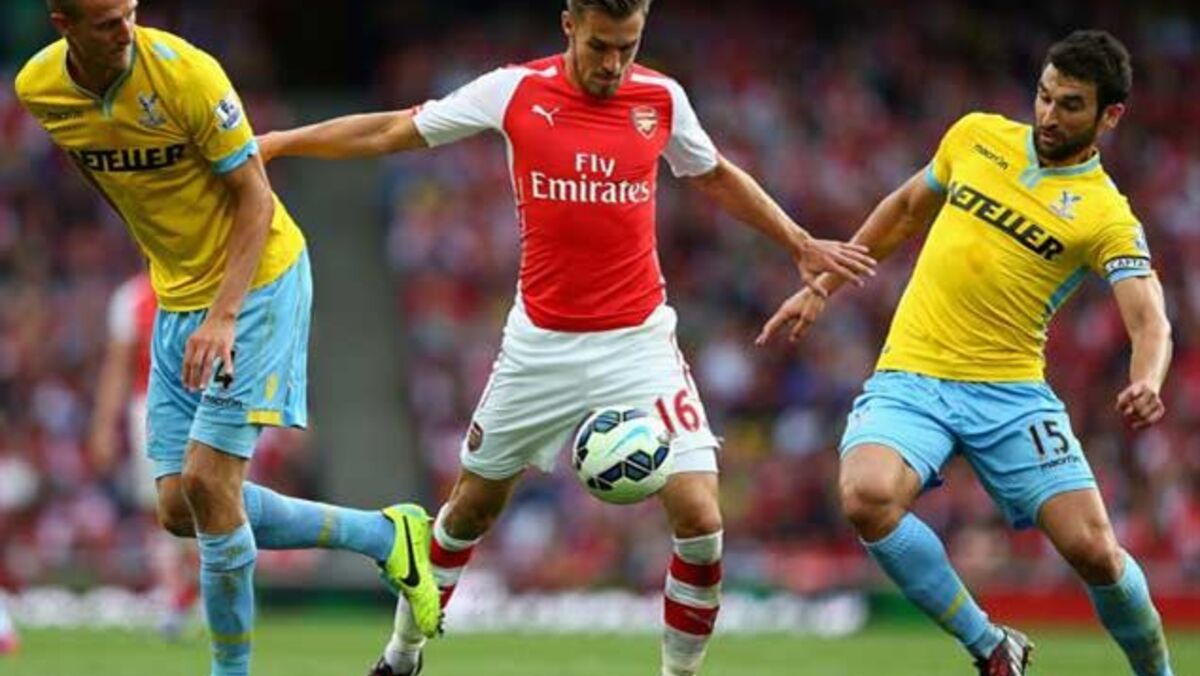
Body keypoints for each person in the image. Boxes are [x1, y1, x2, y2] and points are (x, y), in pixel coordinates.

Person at [258, 1, 875, 674]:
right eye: (600, 46)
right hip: (540, 348)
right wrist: (282, 142)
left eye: (628, 47)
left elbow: (714, 174)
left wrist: (798, 241)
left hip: (638, 343)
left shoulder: (661, 99)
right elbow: (394, 130)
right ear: (569, 24)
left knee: (701, 518)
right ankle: (401, 657)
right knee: (467, 514)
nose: (613, 64)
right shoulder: (514, 91)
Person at [15, 1, 441, 674]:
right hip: (178, 293)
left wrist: (223, 314)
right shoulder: (39, 88)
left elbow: (256, 197)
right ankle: (386, 536)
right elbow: (108, 172)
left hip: (257, 284)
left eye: (130, 13)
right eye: (106, 24)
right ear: (62, 24)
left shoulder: (187, 75)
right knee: (178, 507)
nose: (126, 31)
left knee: (210, 484)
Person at [759, 29, 1174, 676]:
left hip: (1010, 394)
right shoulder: (976, 136)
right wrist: (821, 287)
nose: (1048, 114)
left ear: (1109, 116)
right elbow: (904, 209)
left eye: (1070, 105)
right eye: (1044, 95)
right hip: (913, 376)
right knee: (866, 496)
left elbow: (1149, 317)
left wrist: (1147, 377)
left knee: (1095, 552)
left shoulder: (1106, 216)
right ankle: (990, 646)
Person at [90, 272, 200, 638]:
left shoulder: (204, 284)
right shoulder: (132, 298)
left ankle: (199, 591)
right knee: (161, 508)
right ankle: (173, 595)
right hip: (149, 409)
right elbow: (118, 366)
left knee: (207, 502)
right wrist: (104, 425)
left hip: (202, 406)